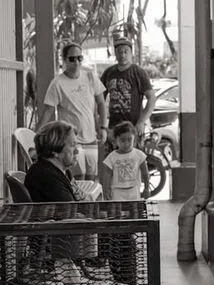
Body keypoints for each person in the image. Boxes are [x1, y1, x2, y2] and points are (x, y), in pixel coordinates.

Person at [38, 42, 107, 180]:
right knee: (77, 178)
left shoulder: (90, 77)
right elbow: (48, 111)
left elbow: (101, 103)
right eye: (72, 58)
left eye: (79, 58)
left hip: (91, 138)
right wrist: (37, 135)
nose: (76, 62)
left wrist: (103, 127)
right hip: (71, 140)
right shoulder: (57, 83)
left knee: (91, 179)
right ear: (64, 60)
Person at [100, 38, 156, 142]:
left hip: (134, 127)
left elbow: (152, 98)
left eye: (126, 51)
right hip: (114, 129)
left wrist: (141, 121)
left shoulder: (138, 72)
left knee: (135, 157)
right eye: (119, 52)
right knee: (114, 157)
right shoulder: (108, 73)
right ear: (115, 54)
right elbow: (99, 99)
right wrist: (102, 125)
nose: (123, 55)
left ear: (131, 53)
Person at [25, 121, 79, 202]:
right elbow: (72, 212)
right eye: (72, 145)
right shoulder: (47, 178)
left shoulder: (62, 171)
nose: (77, 151)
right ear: (55, 150)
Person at [102, 120, 149, 200]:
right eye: (122, 140)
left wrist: (146, 188)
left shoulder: (139, 155)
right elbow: (107, 175)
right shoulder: (112, 157)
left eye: (129, 140)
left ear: (134, 139)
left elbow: (145, 172)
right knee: (117, 211)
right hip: (117, 192)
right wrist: (106, 190)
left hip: (134, 190)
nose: (126, 143)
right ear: (116, 141)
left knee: (134, 211)